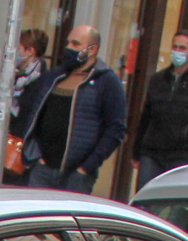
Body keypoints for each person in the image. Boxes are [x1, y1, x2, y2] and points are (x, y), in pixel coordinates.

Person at [18, 23, 127, 194]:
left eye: (76, 44)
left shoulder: (107, 82)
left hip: (77, 176)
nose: (69, 48)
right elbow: (34, 113)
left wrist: (87, 166)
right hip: (42, 170)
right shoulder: (54, 77)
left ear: (91, 49)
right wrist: (33, 155)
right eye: (68, 43)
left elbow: (116, 129)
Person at [134, 30, 188, 186]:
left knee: (171, 203)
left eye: (182, 48)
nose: (177, 52)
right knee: (144, 198)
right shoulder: (158, 79)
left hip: (180, 155)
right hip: (151, 152)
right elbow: (146, 116)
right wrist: (136, 151)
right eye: (175, 47)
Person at [1, 29, 48, 126]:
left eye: (18, 48)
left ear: (30, 51)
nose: (15, 53)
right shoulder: (18, 75)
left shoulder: (41, 81)